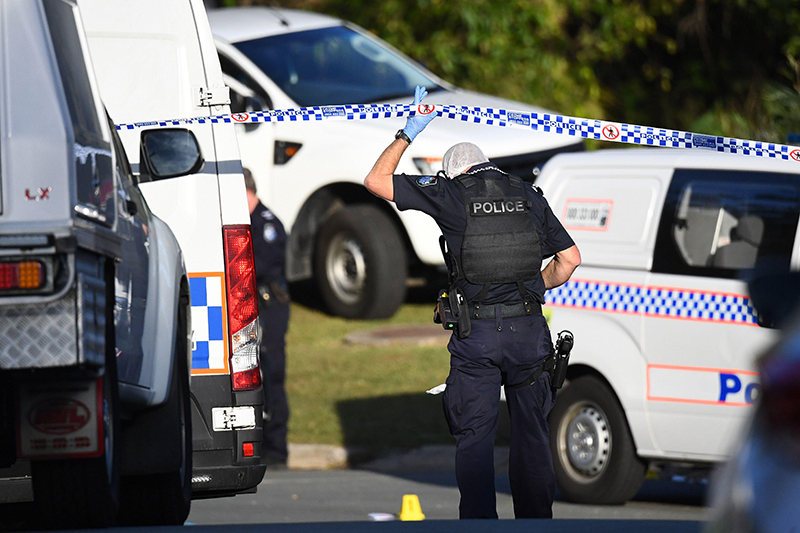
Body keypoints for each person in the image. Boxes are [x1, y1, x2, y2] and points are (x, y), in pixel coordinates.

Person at [364, 87, 581, 519]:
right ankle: (537, 525)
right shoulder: (528, 196)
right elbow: (570, 260)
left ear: (453, 172)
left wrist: (408, 132)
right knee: (533, 438)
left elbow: (375, 181)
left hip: (477, 338)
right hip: (529, 336)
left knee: (476, 439)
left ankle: (481, 525)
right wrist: (533, 289)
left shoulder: (450, 194)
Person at [244, 168, 291, 469]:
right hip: (254, 303)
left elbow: (261, 265)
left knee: (272, 372)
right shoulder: (249, 222)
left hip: (268, 303)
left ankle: (277, 447)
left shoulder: (266, 224)